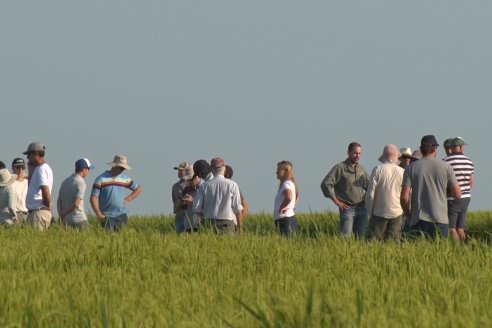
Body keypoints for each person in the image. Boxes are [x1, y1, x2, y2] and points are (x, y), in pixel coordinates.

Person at [401, 135, 461, 239]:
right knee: (439, 253)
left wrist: (407, 214)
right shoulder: (446, 167)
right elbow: (457, 194)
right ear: (434, 148)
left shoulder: (411, 168)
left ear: (421, 149)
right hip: (440, 219)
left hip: (417, 219)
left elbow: (404, 197)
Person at [321, 142, 369, 239]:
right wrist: (337, 201)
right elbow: (326, 184)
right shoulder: (340, 168)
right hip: (348, 209)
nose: (357, 156)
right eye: (355, 153)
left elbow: (369, 187)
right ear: (348, 152)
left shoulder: (361, 169)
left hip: (362, 209)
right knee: (345, 239)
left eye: (359, 153)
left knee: (361, 238)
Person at [90, 155, 142, 231]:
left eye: (124, 168)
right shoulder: (101, 179)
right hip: (107, 216)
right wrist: (99, 215)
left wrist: (127, 200)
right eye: (121, 168)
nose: (122, 170)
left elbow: (138, 189)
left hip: (122, 216)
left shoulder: (125, 178)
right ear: (114, 166)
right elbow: (93, 198)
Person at [192, 157, 243, 234]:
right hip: (227, 225)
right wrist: (240, 228)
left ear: (212, 169)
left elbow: (196, 208)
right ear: (224, 168)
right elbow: (238, 209)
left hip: (209, 224)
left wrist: (203, 216)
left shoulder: (204, 186)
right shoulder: (232, 185)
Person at [365, 145, 404, 241]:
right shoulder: (402, 171)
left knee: (373, 242)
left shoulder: (377, 169)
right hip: (397, 211)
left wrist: (370, 211)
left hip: (379, 212)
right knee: (393, 243)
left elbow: (370, 193)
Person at [444, 137, 474, 241]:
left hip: (452, 198)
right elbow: (471, 182)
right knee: (460, 227)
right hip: (466, 197)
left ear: (451, 148)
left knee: (452, 228)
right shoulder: (469, 161)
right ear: (461, 147)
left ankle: (457, 250)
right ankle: (466, 248)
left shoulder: (446, 161)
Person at [57, 158, 95, 229]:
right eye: (88, 169)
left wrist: (61, 215)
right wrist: (65, 212)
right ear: (84, 169)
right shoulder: (81, 182)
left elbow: (59, 201)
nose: (89, 171)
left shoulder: (65, 182)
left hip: (66, 220)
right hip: (79, 219)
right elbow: (76, 203)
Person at [24, 142, 54, 231]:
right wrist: (30, 171)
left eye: (29, 154)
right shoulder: (41, 169)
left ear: (36, 154)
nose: (27, 157)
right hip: (36, 212)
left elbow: (45, 189)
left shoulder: (41, 169)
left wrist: (47, 207)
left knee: (33, 242)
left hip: (39, 211)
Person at [274, 161, 299, 237]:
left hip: (284, 219)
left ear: (285, 171)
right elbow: (297, 198)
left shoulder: (286, 184)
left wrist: (282, 207)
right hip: (290, 217)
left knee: (286, 241)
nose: (276, 172)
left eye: (278, 170)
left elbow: (289, 196)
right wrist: (291, 207)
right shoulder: (291, 183)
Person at [174, 165, 201, 233]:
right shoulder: (186, 189)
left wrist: (193, 201)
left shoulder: (204, 187)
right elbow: (176, 208)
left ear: (197, 177)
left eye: (190, 179)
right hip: (188, 224)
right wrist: (182, 202)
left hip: (200, 224)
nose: (188, 182)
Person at [224, 164, 249, 231]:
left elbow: (245, 206)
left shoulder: (233, 187)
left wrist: (237, 221)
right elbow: (245, 206)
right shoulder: (233, 186)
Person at [171, 162, 191, 233]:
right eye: (178, 170)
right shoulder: (175, 186)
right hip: (179, 217)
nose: (179, 172)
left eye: (182, 170)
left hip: (190, 217)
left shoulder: (193, 185)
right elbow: (174, 201)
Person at [11, 158, 28, 225]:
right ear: (13, 168)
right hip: (15, 214)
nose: (21, 169)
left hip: (27, 213)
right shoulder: (10, 183)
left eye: (23, 167)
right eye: (18, 167)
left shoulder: (28, 183)